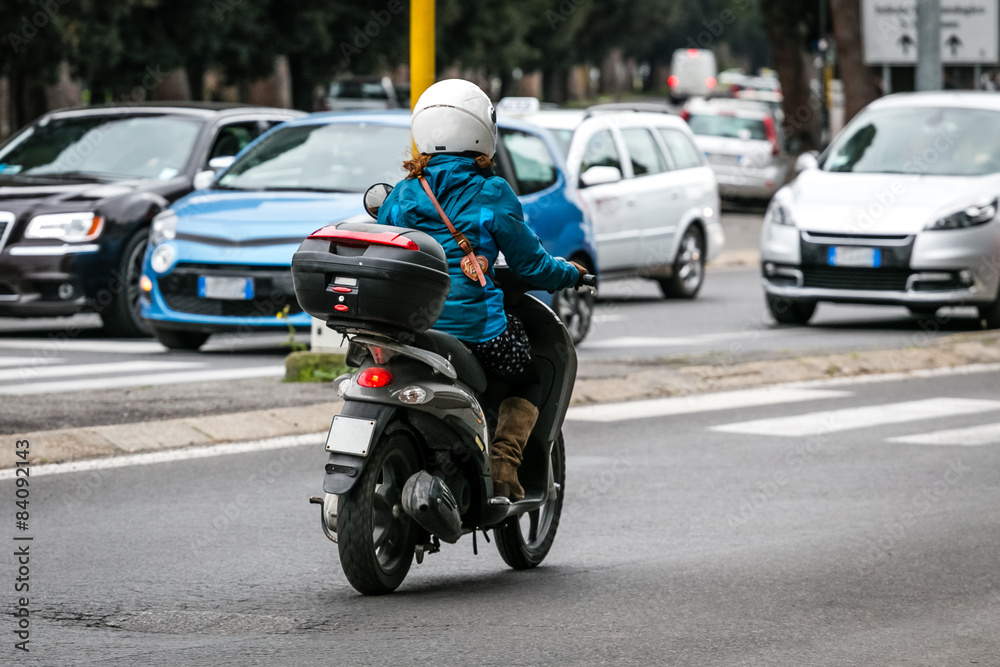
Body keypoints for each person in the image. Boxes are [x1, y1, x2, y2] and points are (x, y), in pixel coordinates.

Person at [377, 79, 585, 501]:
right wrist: (571, 274)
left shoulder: (401, 194)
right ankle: (505, 465)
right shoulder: (492, 192)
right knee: (530, 375)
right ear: (481, 131)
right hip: (476, 330)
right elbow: (532, 266)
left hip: (409, 331)